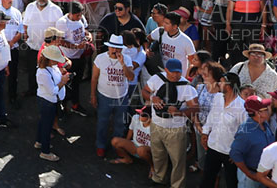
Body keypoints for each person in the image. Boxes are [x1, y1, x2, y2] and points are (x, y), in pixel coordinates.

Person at [142, 58, 199, 188]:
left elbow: (195, 108)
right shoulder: (157, 78)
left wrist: (179, 112)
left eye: (178, 72)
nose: (175, 75)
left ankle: (177, 185)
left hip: (176, 129)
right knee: (158, 155)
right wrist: (152, 98)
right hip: (156, 125)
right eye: (173, 72)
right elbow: (144, 91)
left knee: (177, 160)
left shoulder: (187, 87)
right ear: (166, 70)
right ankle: (158, 179)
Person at [200, 72, 247, 188]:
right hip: (213, 147)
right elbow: (211, 116)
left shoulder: (241, 107)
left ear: (228, 86)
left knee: (231, 182)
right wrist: (205, 133)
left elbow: (244, 132)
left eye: (221, 82)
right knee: (207, 180)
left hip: (229, 153)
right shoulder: (218, 97)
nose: (218, 84)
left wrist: (238, 151)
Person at [92, 35, 134, 158]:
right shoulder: (100, 58)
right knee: (102, 122)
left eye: (118, 48)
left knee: (120, 124)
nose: (115, 50)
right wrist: (93, 95)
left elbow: (131, 77)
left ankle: (117, 146)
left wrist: (123, 64)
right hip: (104, 96)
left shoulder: (127, 59)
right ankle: (100, 145)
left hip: (121, 97)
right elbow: (94, 78)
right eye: (113, 47)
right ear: (108, 47)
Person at [231, 96, 277, 188]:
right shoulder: (245, 131)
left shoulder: (264, 124)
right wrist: (250, 175)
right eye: (265, 109)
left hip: (264, 174)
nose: (268, 110)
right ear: (257, 113)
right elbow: (235, 154)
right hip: (251, 178)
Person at [36, 45, 71, 162]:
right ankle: (45, 152)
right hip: (47, 102)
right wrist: (63, 81)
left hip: (49, 101)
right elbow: (52, 91)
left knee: (42, 123)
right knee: (46, 127)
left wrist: (61, 76)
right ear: (50, 60)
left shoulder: (51, 67)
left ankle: (39, 142)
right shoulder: (43, 73)